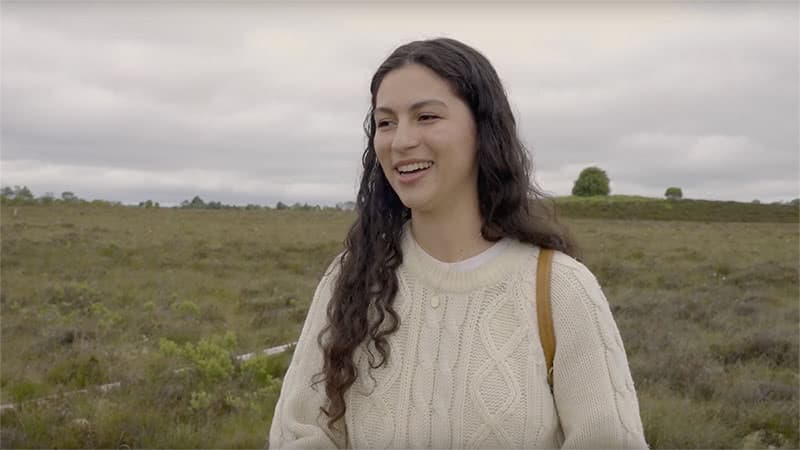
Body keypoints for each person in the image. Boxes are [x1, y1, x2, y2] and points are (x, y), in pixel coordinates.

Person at [269, 37, 649, 449]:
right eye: (385, 122)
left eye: (427, 116)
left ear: (482, 129)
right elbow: (300, 432)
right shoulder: (351, 279)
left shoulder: (562, 290)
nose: (400, 141)